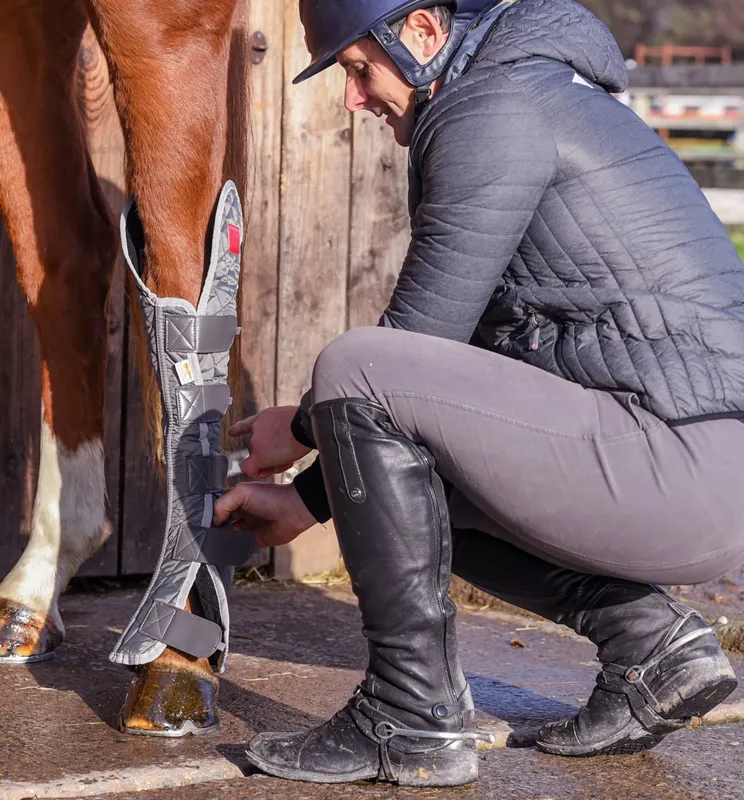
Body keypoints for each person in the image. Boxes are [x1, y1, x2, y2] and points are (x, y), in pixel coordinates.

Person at [213, 0, 744, 787]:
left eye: (360, 68)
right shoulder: (522, 93)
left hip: (681, 459)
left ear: (423, 32)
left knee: (356, 363)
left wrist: (298, 427)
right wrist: (313, 502)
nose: (354, 98)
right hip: (690, 465)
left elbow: (411, 347)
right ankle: (650, 649)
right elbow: (441, 400)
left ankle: (408, 716)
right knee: (415, 466)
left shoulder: (491, 107)